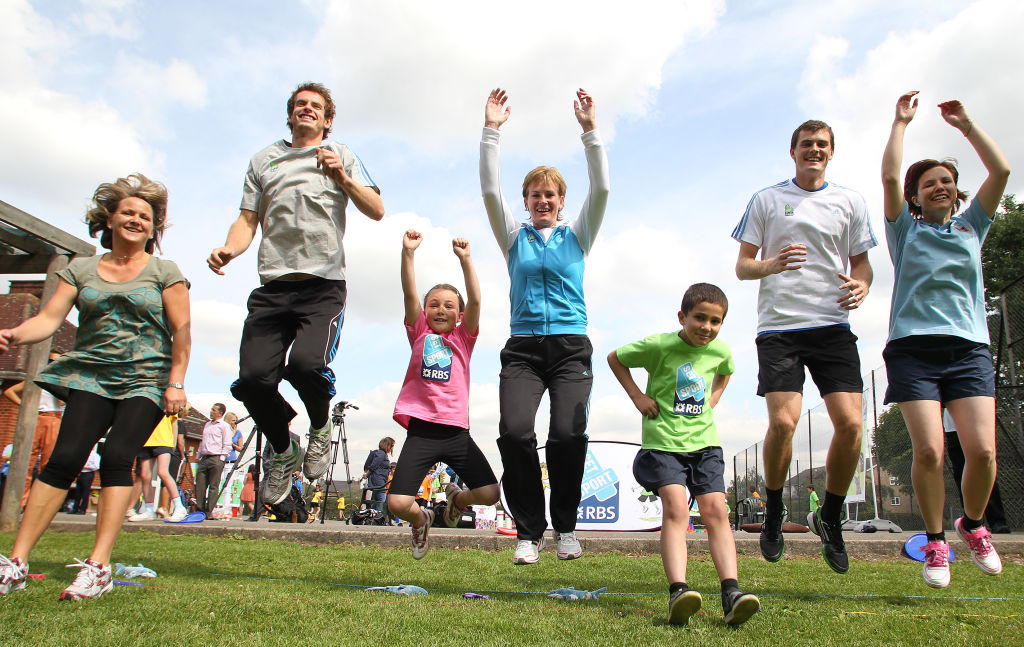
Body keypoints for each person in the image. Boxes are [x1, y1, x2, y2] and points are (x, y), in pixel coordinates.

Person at [0, 173, 190, 600]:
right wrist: (15, 334)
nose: (136, 220)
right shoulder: (81, 269)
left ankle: (99, 566)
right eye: (128, 212)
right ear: (110, 217)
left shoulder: (165, 271)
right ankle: (15, 562)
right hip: (92, 372)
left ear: (153, 227)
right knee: (64, 457)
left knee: (119, 455)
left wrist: (176, 382)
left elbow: (182, 331)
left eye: (145, 216)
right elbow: (50, 319)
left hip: (147, 376)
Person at [207, 81, 384, 506]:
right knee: (252, 381)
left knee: (306, 366)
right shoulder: (264, 161)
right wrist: (230, 248)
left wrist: (340, 176)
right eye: (300, 105)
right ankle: (284, 450)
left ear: (327, 119)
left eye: (316, 106)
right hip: (273, 286)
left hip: (322, 284)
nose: (307, 110)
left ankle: (319, 426)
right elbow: (247, 219)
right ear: (290, 115)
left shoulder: (341, 154)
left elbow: (376, 209)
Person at [732, 118, 876, 574]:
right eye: (807, 144)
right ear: (792, 151)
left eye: (822, 144)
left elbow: (863, 266)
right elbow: (742, 267)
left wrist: (863, 287)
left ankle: (829, 518)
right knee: (783, 423)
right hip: (780, 329)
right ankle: (774, 511)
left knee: (852, 426)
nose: (814, 149)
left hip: (833, 327)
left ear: (831, 152)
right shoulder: (767, 199)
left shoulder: (850, 201)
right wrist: (772, 263)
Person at [881, 91, 1009, 588]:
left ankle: (973, 526)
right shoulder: (905, 233)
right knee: (930, 452)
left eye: (947, 182)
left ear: (957, 193)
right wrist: (900, 123)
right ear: (915, 197)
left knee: (982, 454)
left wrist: (968, 126)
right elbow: (890, 176)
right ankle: (936, 542)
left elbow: (1000, 173)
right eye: (929, 183)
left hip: (968, 350)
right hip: (913, 351)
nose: (939, 186)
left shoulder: (972, 227)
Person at [480, 87, 610, 565]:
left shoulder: (578, 235)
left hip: (571, 347)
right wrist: (491, 130)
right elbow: (490, 191)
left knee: (567, 436)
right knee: (515, 434)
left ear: (561, 200)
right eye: (534, 194)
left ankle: (567, 529)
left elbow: (603, 190)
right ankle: (529, 532)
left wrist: (590, 131)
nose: (542, 200)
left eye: (550, 194)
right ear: (526, 200)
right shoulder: (513, 238)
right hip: (524, 349)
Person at [607, 282, 760, 626]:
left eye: (715, 321)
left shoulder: (720, 350)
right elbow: (615, 358)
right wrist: (637, 397)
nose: (707, 327)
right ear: (683, 316)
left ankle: (731, 593)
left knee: (716, 511)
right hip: (663, 444)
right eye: (700, 318)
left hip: (705, 444)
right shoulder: (660, 345)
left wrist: (714, 399)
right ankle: (679, 591)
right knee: (676, 507)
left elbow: (726, 372)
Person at [387, 231, 500, 559]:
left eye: (449, 306)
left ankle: (456, 499)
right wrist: (408, 254)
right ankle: (422, 520)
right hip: (422, 432)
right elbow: (409, 292)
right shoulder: (419, 331)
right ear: (424, 311)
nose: (440, 309)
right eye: (433, 304)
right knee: (397, 504)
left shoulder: (464, 338)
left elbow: (476, 301)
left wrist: (466, 260)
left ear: (460, 316)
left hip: (456, 434)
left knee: (490, 493)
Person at [4, 352, 65, 509]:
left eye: (56, 361)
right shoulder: (36, 379)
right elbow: (9, 392)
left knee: (47, 463)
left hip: (54, 419)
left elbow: (63, 401)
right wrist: (25, 406)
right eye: (50, 360)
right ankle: (20, 502)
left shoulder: (63, 380)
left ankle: (38, 506)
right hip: (36, 418)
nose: (52, 363)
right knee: (26, 462)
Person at [943, 409, 1009, 533]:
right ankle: (973, 524)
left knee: (984, 469)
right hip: (953, 428)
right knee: (961, 472)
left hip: (979, 423)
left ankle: (997, 521)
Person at [128, 414, 188, 522]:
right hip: (147, 441)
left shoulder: (168, 403)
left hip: (164, 441)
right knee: (145, 476)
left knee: (163, 472)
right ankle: (149, 510)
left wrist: (173, 443)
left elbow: (174, 423)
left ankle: (179, 507)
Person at [195, 403, 233, 516]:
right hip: (205, 457)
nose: (211, 411)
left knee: (213, 485)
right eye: (211, 409)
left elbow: (227, 442)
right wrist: (198, 456)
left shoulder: (224, 426)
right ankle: (199, 509)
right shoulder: (207, 425)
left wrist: (222, 457)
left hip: (216, 457)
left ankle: (209, 511)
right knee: (200, 484)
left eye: (214, 410)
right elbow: (203, 441)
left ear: (220, 413)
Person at [363, 437, 393, 512]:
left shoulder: (381, 454)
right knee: (381, 498)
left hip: (379, 479)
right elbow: (374, 465)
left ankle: (373, 514)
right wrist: (367, 475)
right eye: (391, 446)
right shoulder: (381, 454)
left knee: (376, 499)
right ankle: (378, 515)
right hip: (378, 480)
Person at [71, 446, 101, 515]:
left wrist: (85, 467)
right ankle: (75, 509)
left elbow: (96, 466)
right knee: (78, 492)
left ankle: (83, 509)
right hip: (81, 473)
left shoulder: (95, 455)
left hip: (88, 474)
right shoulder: (82, 454)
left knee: (85, 492)